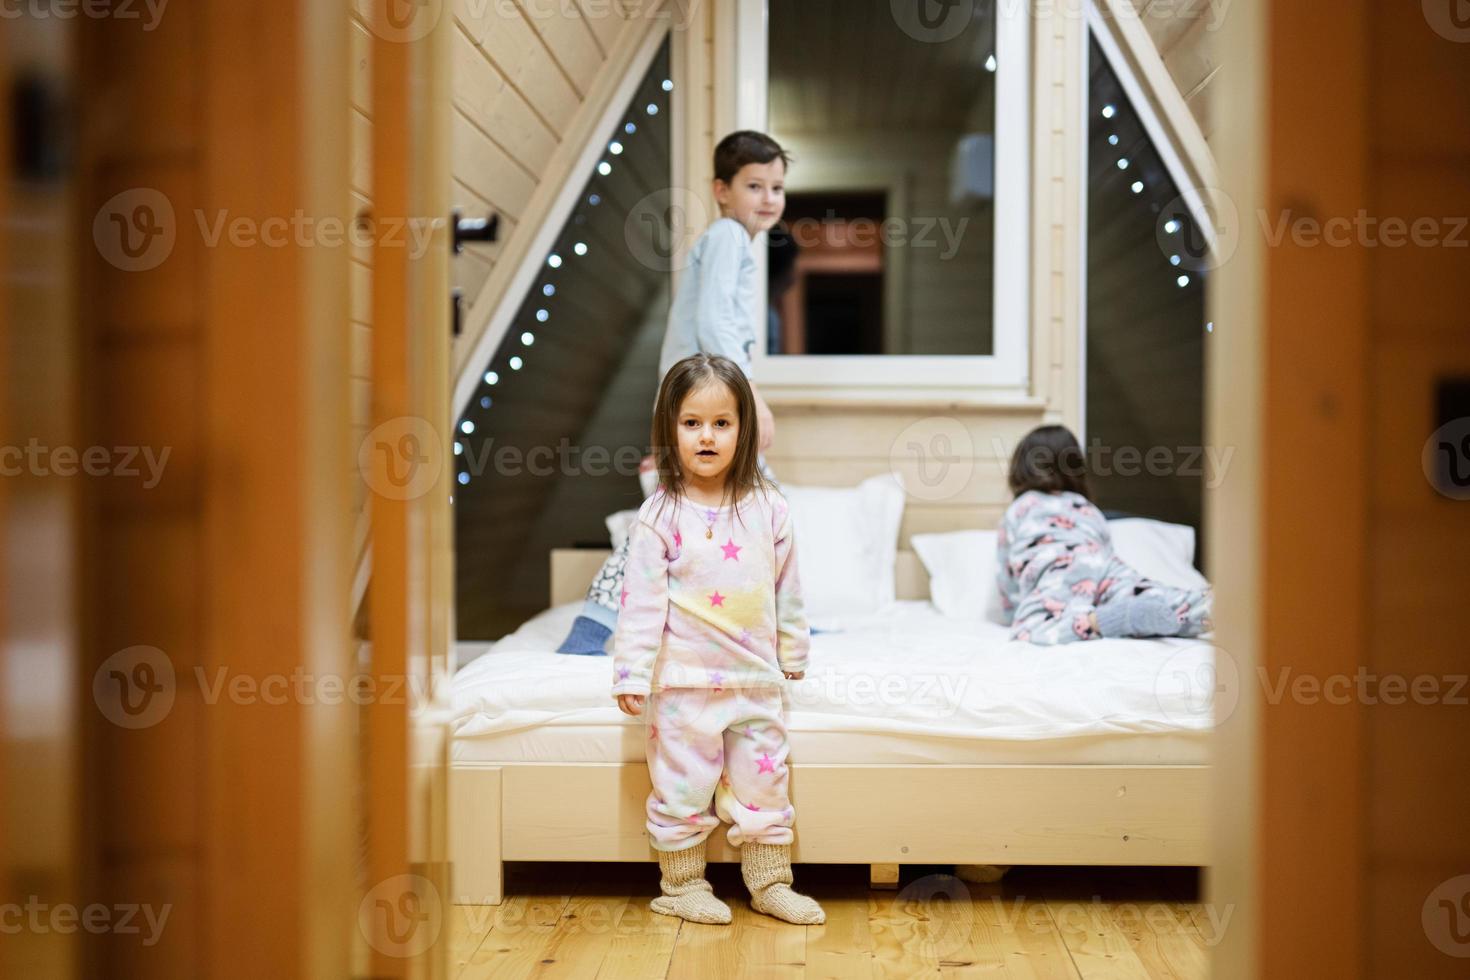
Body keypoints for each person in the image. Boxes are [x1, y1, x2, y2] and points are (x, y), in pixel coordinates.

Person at [557, 131, 792, 655]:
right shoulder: (729, 237)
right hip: (703, 398)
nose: (769, 198)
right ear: (721, 190)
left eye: (777, 187)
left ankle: (768, 621)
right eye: (754, 185)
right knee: (756, 508)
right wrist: (751, 396)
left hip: (695, 400)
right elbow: (713, 323)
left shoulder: (731, 243)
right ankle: (595, 630)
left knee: (739, 509)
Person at [610, 354, 824, 926]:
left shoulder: (769, 508)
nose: (707, 436)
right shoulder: (659, 514)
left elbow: (789, 588)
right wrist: (632, 672)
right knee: (681, 787)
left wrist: (793, 651)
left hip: (755, 679)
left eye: (722, 423)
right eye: (692, 423)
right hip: (682, 683)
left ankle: (770, 882)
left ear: (743, 430)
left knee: (765, 783)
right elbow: (641, 602)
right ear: (670, 431)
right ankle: (681, 887)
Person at [997, 425, 1213, 644]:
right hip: (1105, 567)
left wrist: (1015, 610)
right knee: (1165, 602)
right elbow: (1104, 550)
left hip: (1055, 567)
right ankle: (1207, 604)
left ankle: (1101, 621)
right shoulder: (1089, 509)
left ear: (1021, 469)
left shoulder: (1018, 509)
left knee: (1032, 628)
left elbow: (1008, 583)